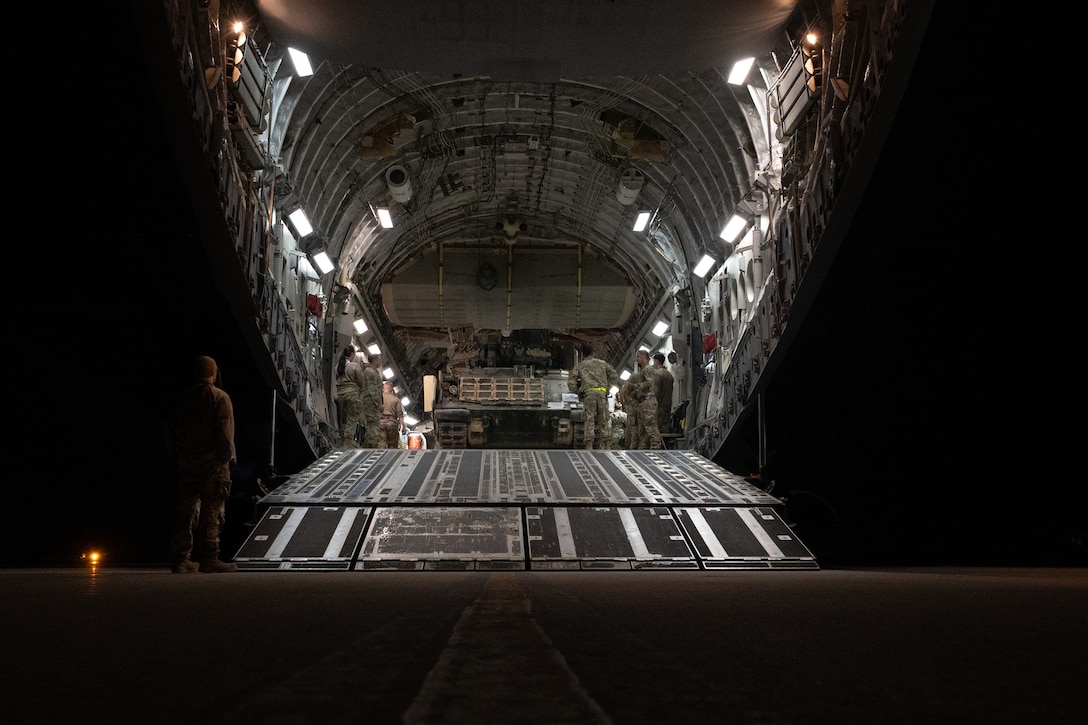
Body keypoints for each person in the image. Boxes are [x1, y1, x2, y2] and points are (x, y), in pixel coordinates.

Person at [165, 355, 238, 573]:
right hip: (212, 463)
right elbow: (225, 435)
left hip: (187, 461)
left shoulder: (183, 398)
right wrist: (226, 458)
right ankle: (210, 557)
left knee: (185, 510)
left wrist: (180, 455)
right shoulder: (219, 397)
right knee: (213, 511)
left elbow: (169, 432)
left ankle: (180, 559)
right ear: (214, 374)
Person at [568, 343, 620, 450]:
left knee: (589, 419)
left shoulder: (580, 365)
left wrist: (577, 391)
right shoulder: (602, 363)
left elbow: (571, 381)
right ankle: (607, 444)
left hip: (589, 395)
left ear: (582, 355)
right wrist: (609, 388)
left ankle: (589, 445)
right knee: (604, 419)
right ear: (593, 353)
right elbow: (614, 375)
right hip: (602, 394)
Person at [335, 346, 367, 448]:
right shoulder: (354, 366)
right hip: (352, 395)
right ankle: (347, 443)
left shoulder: (338, 366)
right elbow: (361, 382)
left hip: (340, 395)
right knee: (352, 419)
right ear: (352, 354)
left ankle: (342, 441)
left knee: (343, 419)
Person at [635, 350, 663, 449]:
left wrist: (637, 386)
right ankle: (643, 450)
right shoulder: (643, 370)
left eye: (638, 357)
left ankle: (655, 448)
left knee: (651, 428)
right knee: (643, 430)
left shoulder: (648, 369)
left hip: (648, 401)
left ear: (643, 357)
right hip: (643, 402)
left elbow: (649, 383)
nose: (637, 359)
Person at [360, 352, 384, 447]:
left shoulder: (373, 371)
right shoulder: (370, 372)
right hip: (371, 403)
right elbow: (372, 389)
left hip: (371, 402)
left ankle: (370, 445)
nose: (380, 362)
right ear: (374, 361)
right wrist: (378, 403)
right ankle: (370, 446)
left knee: (373, 425)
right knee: (373, 425)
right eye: (379, 360)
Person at [378, 380, 406, 448]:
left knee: (381, 444)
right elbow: (400, 415)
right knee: (393, 445)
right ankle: (392, 457)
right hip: (391, 423)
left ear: (383, 388)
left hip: (380, 422)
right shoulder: (395, 399)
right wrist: (404, 426)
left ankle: (381, 457)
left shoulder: (379, 398)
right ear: (391, 389)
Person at [653, 352, 675, 434]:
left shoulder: (657, 374)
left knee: (657, 430)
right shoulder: (669, 375)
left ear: (656, 361)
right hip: (667, 405)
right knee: (665, 429)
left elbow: (655, 391)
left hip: (659, 406)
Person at [619, 375, 641, 449]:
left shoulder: (624, 388)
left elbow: (623, 398)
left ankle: (628, 446)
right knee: (634, 430)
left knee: (630, 429)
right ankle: (632, 447)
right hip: (633, 409)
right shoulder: (631, 388)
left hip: (630, 410)